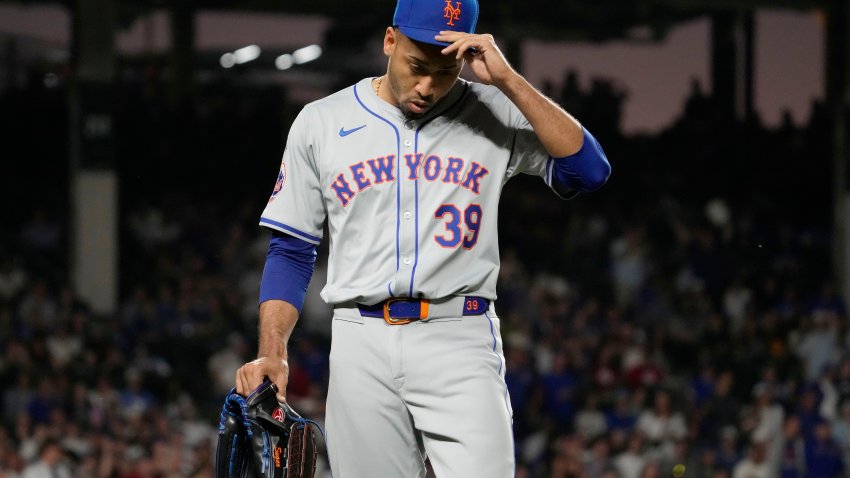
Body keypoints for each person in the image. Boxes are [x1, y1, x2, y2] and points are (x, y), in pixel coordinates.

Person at [234, 0, 611, 475]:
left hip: (460, 335)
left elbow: (589, 172)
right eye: (417, 66)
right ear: (390, 41)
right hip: (360, 339)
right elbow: (291, 249)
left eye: (445, 70)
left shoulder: (494, 110)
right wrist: (273, 352)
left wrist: (510, 81)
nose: (428, 86)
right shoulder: (321, 122)